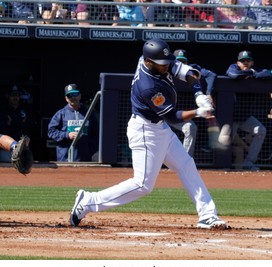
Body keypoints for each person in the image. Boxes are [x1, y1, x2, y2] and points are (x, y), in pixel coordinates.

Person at [69, 38, 228, 230]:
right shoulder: (148, 86)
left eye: (167, 62)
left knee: (186, 165)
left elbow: (191, 73)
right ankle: (88, 201)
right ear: (148, 62)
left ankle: (207, 215)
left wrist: (198, 94)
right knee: (143, 184)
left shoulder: (157, 61)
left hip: (160, 129)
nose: (166, 66)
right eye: (162, 64)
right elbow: (172, 116)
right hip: (146, 132)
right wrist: (197, 112)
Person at [226, 50, 272, 170]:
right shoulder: (233, 67)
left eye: (248, 61)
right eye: (243, 61)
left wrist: (252, 73)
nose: (245, 63)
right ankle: (220, 167)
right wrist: (249, 73)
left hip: (244, 116)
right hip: (229, 116)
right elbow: (233, 75)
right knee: (226, 142)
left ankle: (249, 162)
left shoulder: (254, 70)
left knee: (261, 130)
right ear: (238, 62)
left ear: (252, 62)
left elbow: (268, 74)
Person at [170, 49, 217, 156]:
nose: (181, 64)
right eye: (178, 61)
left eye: (183, 61)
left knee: (190, 127)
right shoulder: (166, 69)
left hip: (182, 112)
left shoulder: (192, 70)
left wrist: (208, 93)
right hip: (164, 112)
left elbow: (211, 75)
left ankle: (185, 161)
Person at [47, 84, 99, 162]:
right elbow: (51, 132)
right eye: (69, 95)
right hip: (64, 160)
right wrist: (67, 135)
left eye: (75, 94)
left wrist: (89, 151)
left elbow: (96, 135)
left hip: (84, 161)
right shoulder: (61, 114)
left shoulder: (89, 114)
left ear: (80, 96)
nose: (72, 97)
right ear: (66, 98)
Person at [0, 87, 36, 162]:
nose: (15, 97)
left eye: (17, 95)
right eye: (13, 95)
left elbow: (31, 126)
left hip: (23, 148)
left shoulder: (26, 110)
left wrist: (13, 123)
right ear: (8, 96)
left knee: (24, 166)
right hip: (6, 149)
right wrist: (19, 123)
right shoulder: (3, 111)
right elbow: (3, 129)